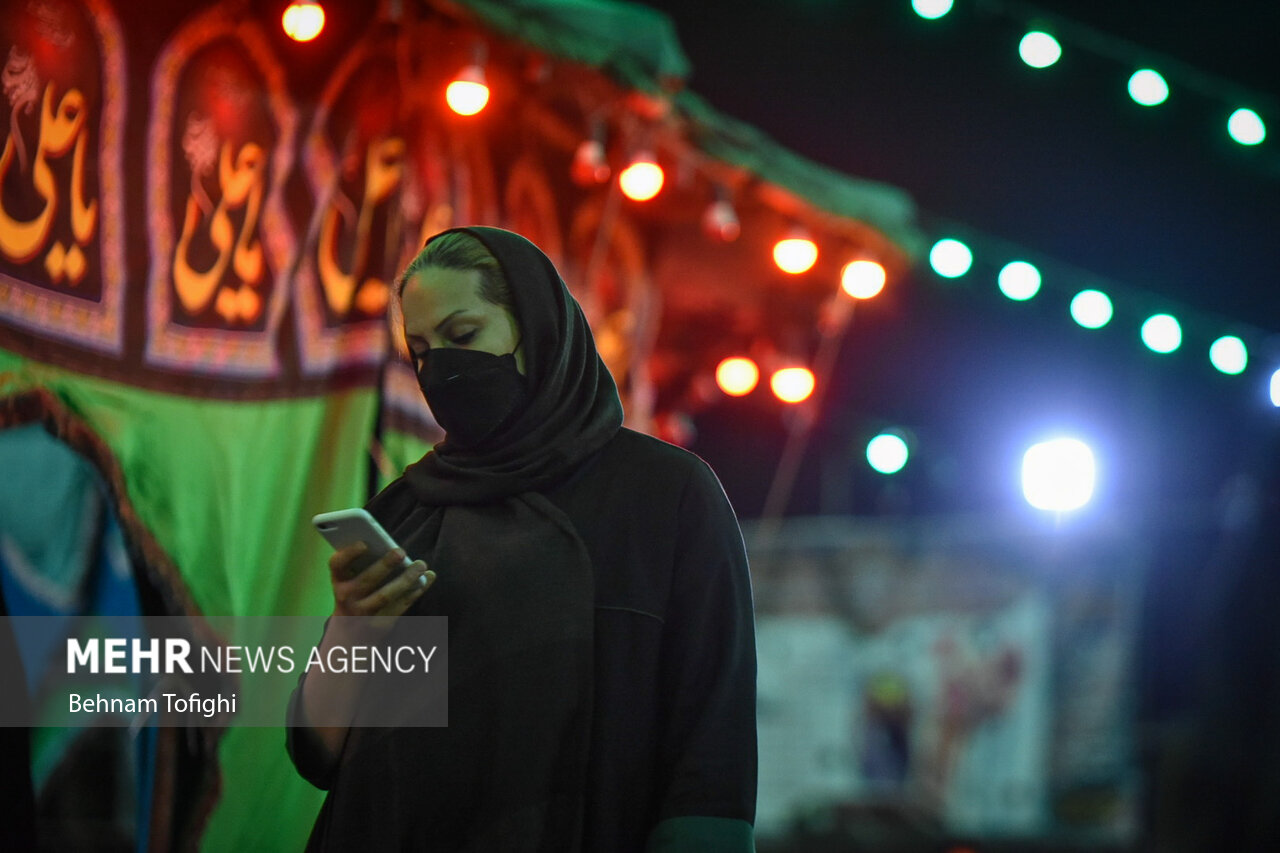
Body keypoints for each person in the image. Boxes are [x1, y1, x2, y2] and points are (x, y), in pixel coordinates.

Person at [286, 226, 758, 851]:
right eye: (422, 351)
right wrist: (353, 628)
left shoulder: (663, 494)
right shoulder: (409, 509)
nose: (441, 369)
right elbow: (321, 754)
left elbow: (711, 737)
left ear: (536, 331)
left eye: (463, 336)